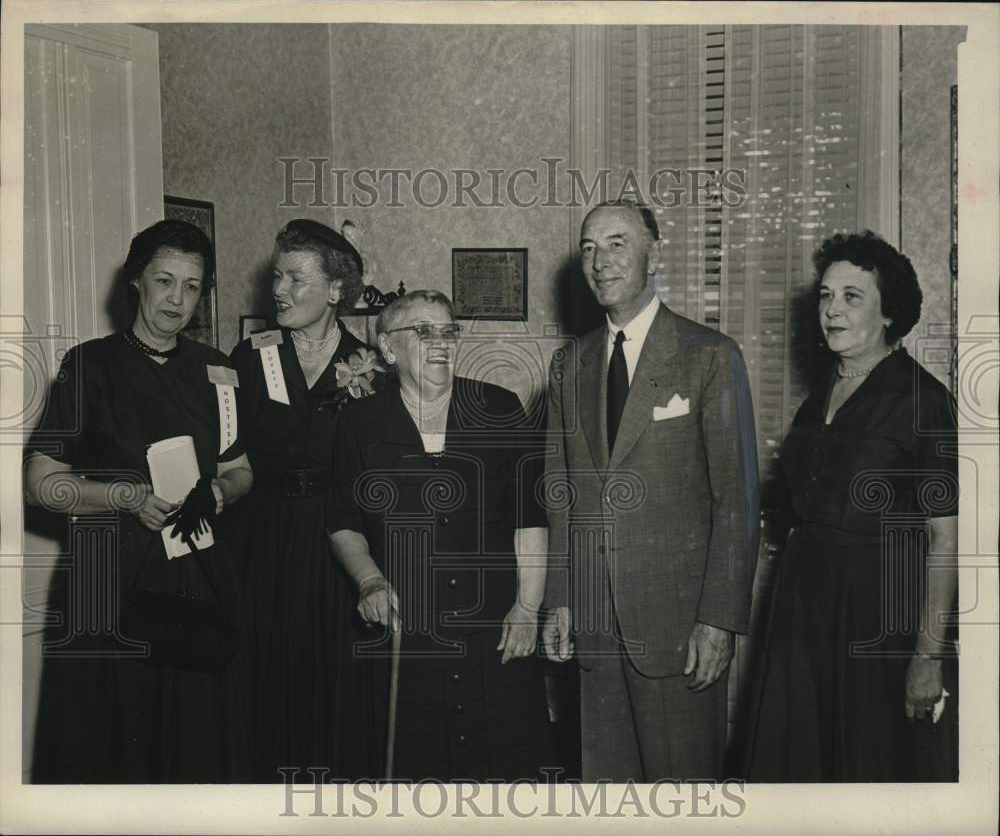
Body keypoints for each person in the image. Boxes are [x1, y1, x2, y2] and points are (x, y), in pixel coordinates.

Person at [24, 219, 254, 782]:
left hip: (193, 574)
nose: (178, 299)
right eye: (165, 280)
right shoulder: (90, 365)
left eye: (193, 286)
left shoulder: (216, 370)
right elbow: (40, 480)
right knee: (109, 744)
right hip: (110, 580)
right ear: (136, 281)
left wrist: (220, 493)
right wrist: (124, 496)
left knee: (193, 741)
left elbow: (239, 469)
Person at [541, 200, 760, 782]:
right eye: (588, 247)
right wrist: (559, 597)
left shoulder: (709, 356)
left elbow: (735, 503)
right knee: (605, 796)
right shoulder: (570, 364)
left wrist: (719, 621)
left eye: (616, 243)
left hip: (678, 630)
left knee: (681, 796)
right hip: (593, 626)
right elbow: (560, 492)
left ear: (654, 255)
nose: (600, 261)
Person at [745, 231, 959, 782]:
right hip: (802, 606)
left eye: (852, 296)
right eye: (824, 295)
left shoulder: (923, 400)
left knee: (869, 766)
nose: (831, 310)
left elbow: (945, 539)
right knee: (798, 766)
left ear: (890, 313)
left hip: (877, 617)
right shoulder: (820, 398)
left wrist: (928, 655)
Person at [328, 290, 554, 781]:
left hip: (495, 631)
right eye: (423, 331)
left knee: (505, 780)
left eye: (448, 331)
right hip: (409, 638)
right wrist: (368, 582)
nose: (440, 343)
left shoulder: (498, 407)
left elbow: (529, 517)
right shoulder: (361, 423)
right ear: (388, 349)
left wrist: (528, 608)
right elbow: (343, 522)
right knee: (418, 779)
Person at [228, 218, 379, 781]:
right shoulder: (251, 355)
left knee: (336, 679)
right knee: (265, 675)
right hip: (262, 538)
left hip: (337, 541)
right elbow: (227, 454)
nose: (279, 291)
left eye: (296, 278)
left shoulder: (371, 367)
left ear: (335, 290)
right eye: (277, 277)